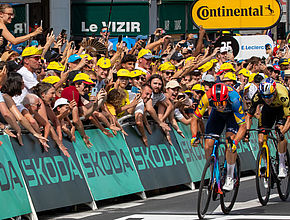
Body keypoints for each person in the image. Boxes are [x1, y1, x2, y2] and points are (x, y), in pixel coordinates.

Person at [191, 83, 246, 191]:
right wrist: (194, 136)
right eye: (216, 103)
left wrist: (235, 142)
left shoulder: (234, 100)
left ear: (226, 98)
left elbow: (243, 126)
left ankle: (230, 176)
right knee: (208, 146)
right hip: (217, 115)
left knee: (229, 143)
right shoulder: (207, 97)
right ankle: (213, 176)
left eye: (222, 102)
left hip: (232, 115)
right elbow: (194, 118)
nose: (220, 105)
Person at [245, 78, 290, 178]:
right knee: (261, 140)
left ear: (274, 92)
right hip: (267, 111)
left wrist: (282, 132)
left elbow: (289, 119)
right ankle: (266, 164)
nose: (267, 99)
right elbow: (248, 115)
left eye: (269, 97)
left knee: (279, 133)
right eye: (264, 97)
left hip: (281, 111)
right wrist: (247, 132)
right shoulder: (257, 96)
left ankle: (282, 164)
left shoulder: (282, 95)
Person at [1, 72, 48, 148]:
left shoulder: (8, 97)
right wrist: (34, 133)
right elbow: (20, 118)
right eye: (22, 83)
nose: (23, 87)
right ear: (15, 84)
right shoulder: (6, 97)